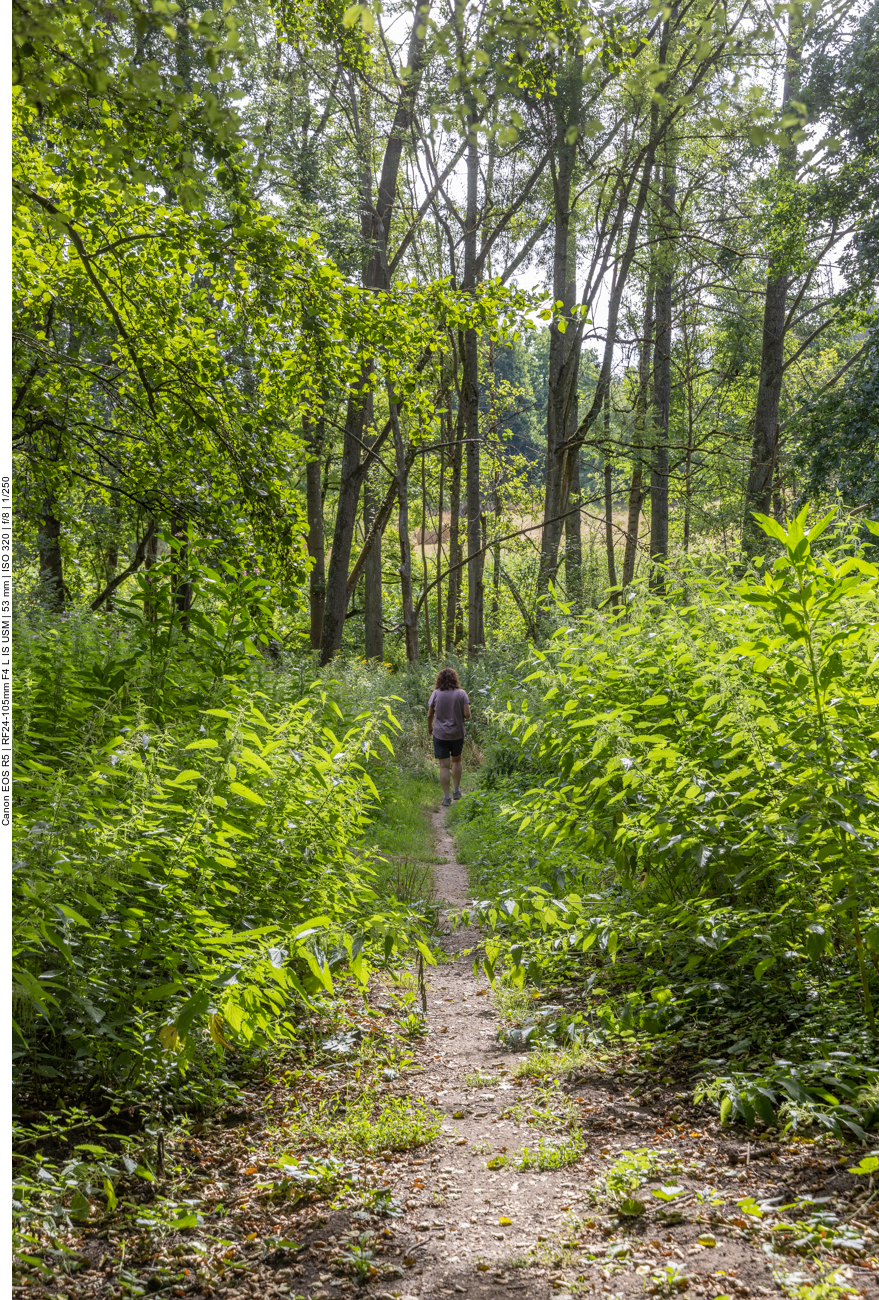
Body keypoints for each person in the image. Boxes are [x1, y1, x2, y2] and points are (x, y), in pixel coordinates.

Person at [427, 668, 471, 807]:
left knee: (444, 766)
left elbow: (429, 715)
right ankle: (457, 791)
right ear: (455, 679)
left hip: (440, 734)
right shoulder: (462, 693)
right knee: (456, 761)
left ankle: (446, 797)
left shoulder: (436, 694)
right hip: (457, 733)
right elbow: (467, 714)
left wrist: (430, 727)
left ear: (439, 680)